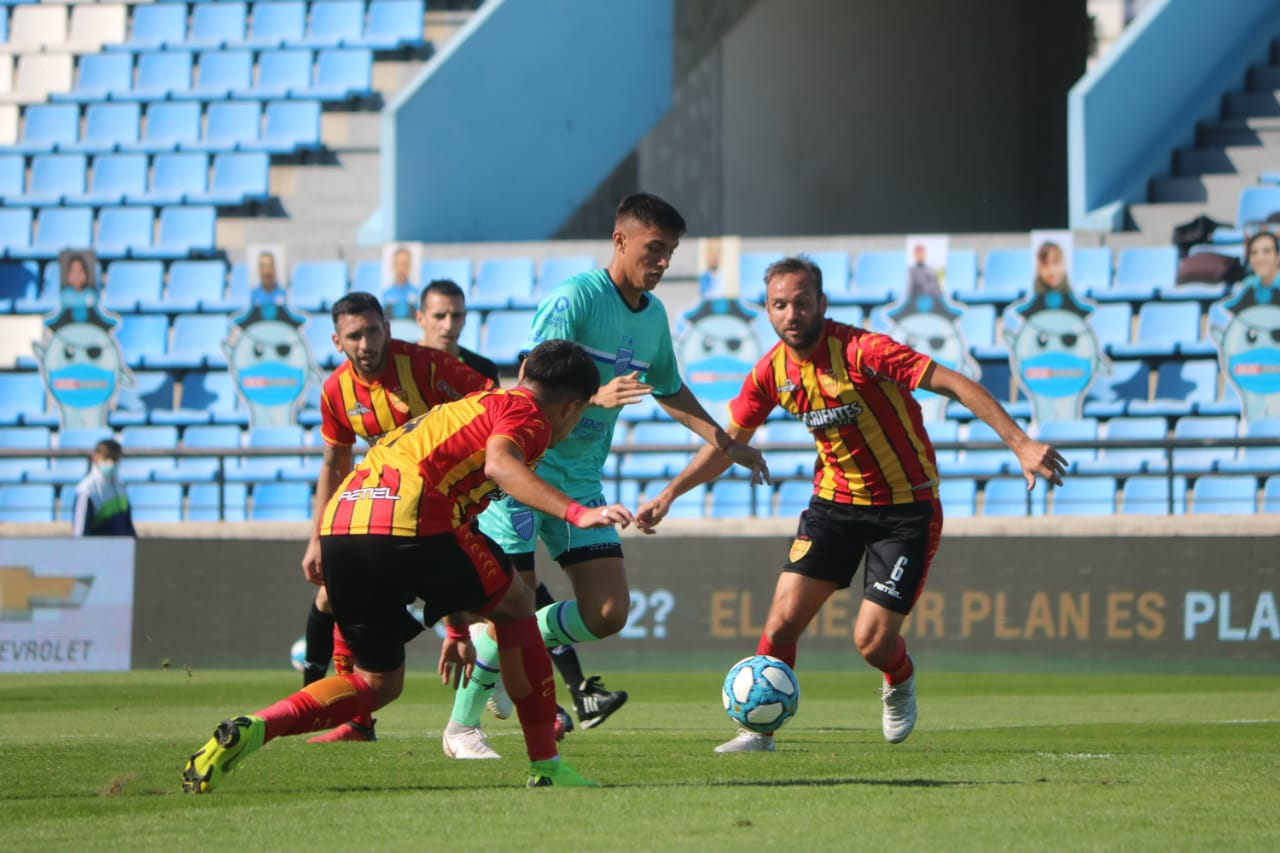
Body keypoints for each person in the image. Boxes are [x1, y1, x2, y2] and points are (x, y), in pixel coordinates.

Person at [635, 255, 1066, 753]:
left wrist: (1020, 444)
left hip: (906, 511)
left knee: (871, 643)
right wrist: (668, 494)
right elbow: (726, 441)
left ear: (821, 303)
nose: (791, 313)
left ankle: (899, 678)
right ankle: (758, 730)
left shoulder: (865, 351)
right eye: (780, 305)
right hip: (834, 507)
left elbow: (955, 382)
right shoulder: (772, 372)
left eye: (801, 302)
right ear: (768, 312)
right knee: (780, 622)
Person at [182, 340, 632, 793]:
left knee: (377, 683)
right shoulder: (529, 414)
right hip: (410, 515)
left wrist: (457, 628)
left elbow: (458, 533)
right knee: (517, 603)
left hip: (344, 522)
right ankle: (548, 768)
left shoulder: (472, 405)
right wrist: (578, 513)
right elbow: (499, 465)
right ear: (571, 406)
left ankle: (255, 727)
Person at [442, 192, 770, 759]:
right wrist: (595, 394)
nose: (663, 262)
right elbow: (527, 384)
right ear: (620, 240)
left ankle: (495, 647)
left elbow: (669, 389)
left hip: (584, 482)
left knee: (608, 613)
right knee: (513, 604)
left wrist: (725, 440)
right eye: (655, 249)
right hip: (527, 471)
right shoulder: (575, 299)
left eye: (670, 252)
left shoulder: (656, 318)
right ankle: (462, 728)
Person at [299, 292, 493, 743]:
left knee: (505, 601)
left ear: (387, 326)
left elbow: (492, 402)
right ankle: (345, 713)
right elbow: (334, 465)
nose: (365, 342)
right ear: (337, 340)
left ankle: (531, 702)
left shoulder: (426, 367)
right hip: (383, 510)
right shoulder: (335, 391)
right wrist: (317, 539)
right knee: (334, 595)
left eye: (372, 330)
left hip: (448, 506)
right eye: (354, 335)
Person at [416, 279, 500, 384]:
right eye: (439, 316)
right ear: (420, 319)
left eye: (456, 316)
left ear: (464, 318)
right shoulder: (400, 364)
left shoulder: (484, 371)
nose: (448, 326)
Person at [72, 439, 136, 538]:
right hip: (98, 550)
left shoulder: (121, 485)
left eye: (115, 459)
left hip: (121, 550)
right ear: (95, 458)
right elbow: (80, 534)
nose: (111, 463)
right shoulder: (86, 490)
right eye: (106, 458)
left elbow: (127, 525)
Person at [382, 245, 419, 321]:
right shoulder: (385, 294)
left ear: (410, 266)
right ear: (393, 266)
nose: (401, 269)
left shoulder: (417, 293)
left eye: (405, 264)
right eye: (398, 264)